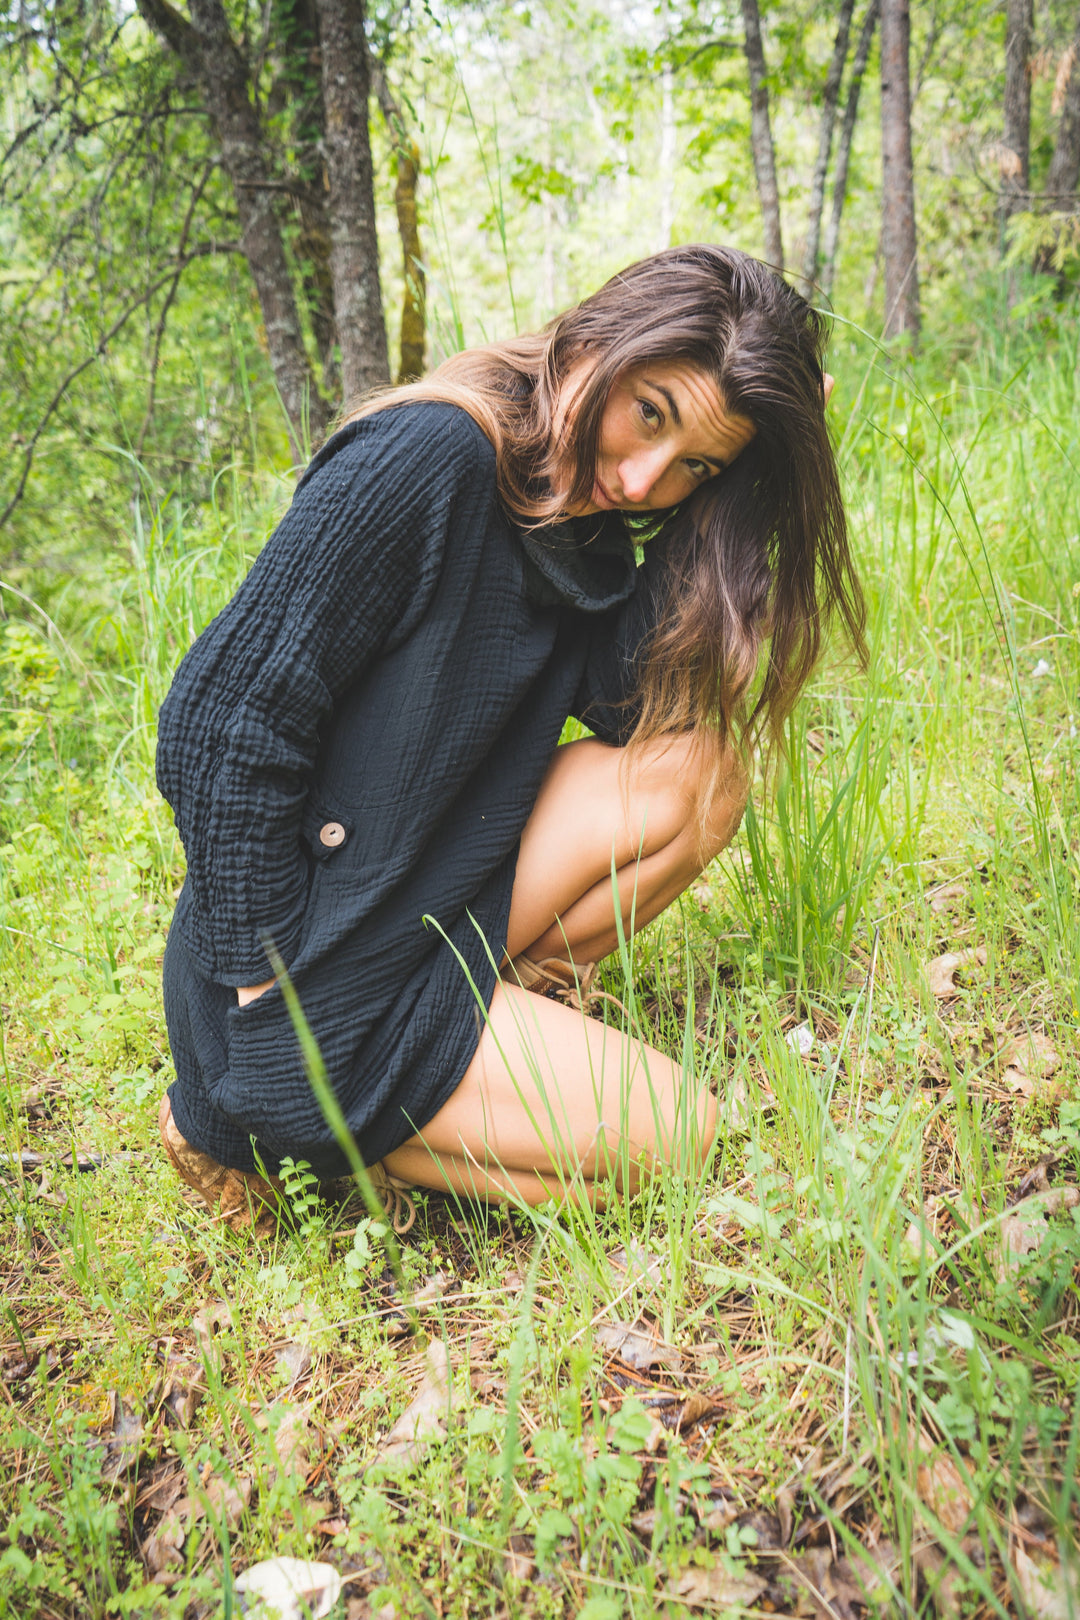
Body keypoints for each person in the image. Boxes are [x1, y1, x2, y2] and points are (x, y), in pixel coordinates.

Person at [156, 243, 864, 1234]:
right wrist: (262, 991)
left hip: (421, 899)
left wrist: (747, 487)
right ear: (602, 344)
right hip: (297, 964)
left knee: (696, 776)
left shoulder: (587, 510)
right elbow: (219, 724)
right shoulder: (431, 458)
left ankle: (436, 1072)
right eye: (649, 414)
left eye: (695, 465)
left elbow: (633, 712)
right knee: (681, 1138)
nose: (646, 475)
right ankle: (283, 1125)